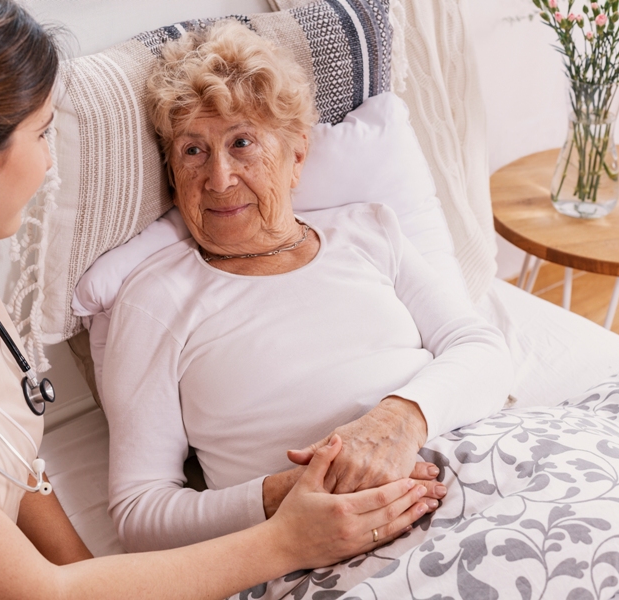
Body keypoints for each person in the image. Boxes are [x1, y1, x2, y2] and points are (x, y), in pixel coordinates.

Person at [0, 1, 441, 599]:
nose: (49, 166)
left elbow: (10, 458)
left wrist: (83, 566)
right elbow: (40, 594)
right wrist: (287, 539)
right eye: (42, 135)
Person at [101, 20, 515, 553]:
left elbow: (482, 349)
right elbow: (140, 512)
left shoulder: (370, 230)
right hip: (339, 549)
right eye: (193, 151)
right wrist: (284, 496)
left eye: (242, 142)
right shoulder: (155, 298)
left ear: (297, 155)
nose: (220, 178)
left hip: (486, 474)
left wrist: (398, 421)